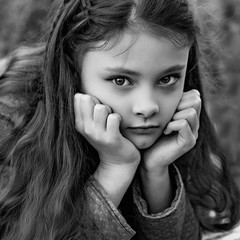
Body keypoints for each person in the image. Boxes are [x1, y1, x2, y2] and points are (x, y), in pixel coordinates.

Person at [0, 0, 239, 239]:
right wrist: (116, 169)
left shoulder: (180, 128)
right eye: (121, 80)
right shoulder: (12, 126)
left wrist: (156, 172)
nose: (148, 107)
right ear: (73, 67)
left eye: (167, 79)